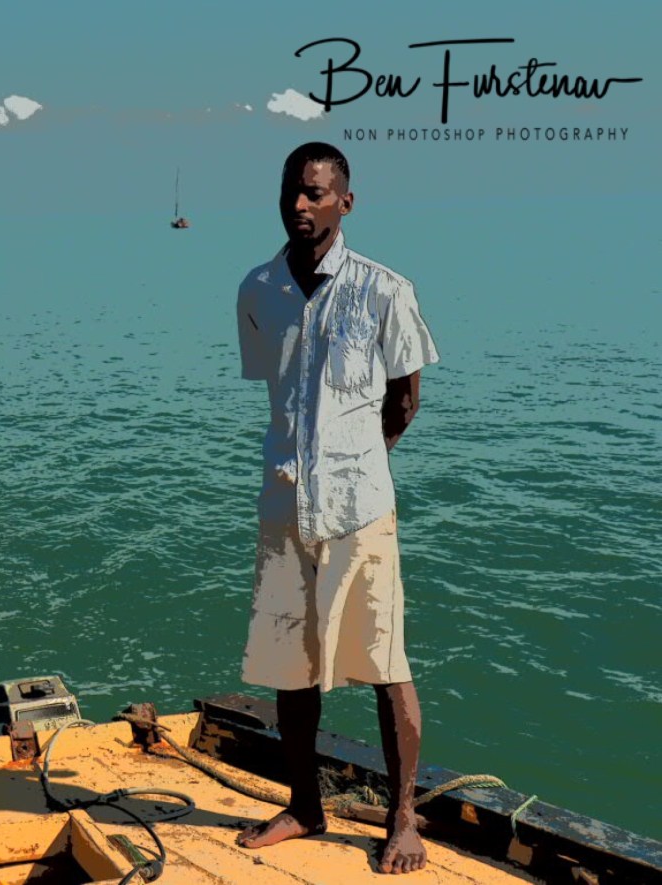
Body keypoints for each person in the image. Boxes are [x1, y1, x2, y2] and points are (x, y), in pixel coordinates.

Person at [234, 142, 439, 875]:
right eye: (292, 191)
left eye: (316, 193)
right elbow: (278, 392)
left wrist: (358, 460)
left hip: (360, 509)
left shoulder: (386, 290)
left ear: (345, 202)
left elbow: (405, 399)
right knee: (290, 666)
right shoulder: (257, 289)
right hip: (284, 504)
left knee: (387, 662)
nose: (300, 204)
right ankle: (304, 803)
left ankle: (404, 815)